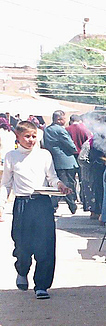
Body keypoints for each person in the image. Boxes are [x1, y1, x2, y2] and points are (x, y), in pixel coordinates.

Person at [0, 120, 72, 299]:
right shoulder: (11, 156)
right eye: (27, 136)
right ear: (18, 137)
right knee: (22, 245)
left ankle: (42, 285)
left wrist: (60, 185)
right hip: (22, 204)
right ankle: (22, 270)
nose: (31, 140)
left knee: (45, 246)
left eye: (33, 136)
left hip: (42, 203)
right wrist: (1, 205)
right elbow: (6, 184)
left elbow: (52, 177)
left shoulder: (44, 155)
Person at [42, 110, 78, 214]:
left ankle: (53, 205)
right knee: (69, 184)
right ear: (59, 119)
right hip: (66, 161)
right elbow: (71, 145)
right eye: (64, 118)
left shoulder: (47, 129)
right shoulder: (60, 130)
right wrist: (74, 149)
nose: (65, 120)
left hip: (54, 160)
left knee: (56, 184)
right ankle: (71, 204)